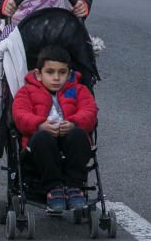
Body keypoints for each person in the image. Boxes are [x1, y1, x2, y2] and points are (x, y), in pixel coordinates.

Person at [12, 44, 97, 213]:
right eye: (50, 72)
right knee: (42, 137)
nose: (56, 78)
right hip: (39, 146)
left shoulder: (79, 90)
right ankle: (54, 188)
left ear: (69, 73)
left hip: (70, 143)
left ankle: (74, 186)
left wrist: (74, 123)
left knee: (79, 134)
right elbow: (20, 114)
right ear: (38, 74)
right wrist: (39, 124)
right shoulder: (27, 92)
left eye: (62, 72)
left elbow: (90, 111)